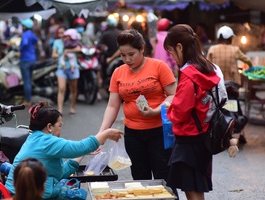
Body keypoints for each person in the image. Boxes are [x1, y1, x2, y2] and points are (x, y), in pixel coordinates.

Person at [98, 29, 177, 190]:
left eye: (131, 54)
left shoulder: (159, 67)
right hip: (133, 134)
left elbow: (173, 95)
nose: (127, 59)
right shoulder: (118, 73)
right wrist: (101, 133)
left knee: (164, 177)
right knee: (140, 180)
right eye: (122, 55)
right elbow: (113, 105)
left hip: (159, 131)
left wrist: (155, 111)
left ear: (142, 48)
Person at [5, 101, 123, 199]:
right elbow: (80, 147)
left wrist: (83, 153)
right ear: (49, 127)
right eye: (60, 125)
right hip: (26, 195)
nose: (61, 130)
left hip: (16, 192)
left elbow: (62, 172)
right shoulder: (48, 141)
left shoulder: (34, 138)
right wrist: (106, 134)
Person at [163, 24, 227, 200]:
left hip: (188, 139)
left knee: (191, 191)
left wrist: (170, 110)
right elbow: (223, 98)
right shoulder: (211, 68)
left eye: (171, 52)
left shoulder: (188, 75)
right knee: (197, 189)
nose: (173, 57)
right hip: (205, 136)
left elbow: (180, 112)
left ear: (180, 47)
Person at [206, 25, 252, 144]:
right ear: (230, 38)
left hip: (217, 84)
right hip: (233, 85)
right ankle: (241, 133)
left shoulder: (212, 49)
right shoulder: (235, 49)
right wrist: (251, 68)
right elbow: (247, 60)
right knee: (238, 103)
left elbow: (206, 65)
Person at [52, 26, 81, 114]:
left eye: (63, 33)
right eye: (59, 33)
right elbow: (53, 55)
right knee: (61, 88)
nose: (62, 35)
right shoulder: (57, 42)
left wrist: (68, 51)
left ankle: (73, 107)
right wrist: (61, 55)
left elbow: (79, 49)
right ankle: (60, 109)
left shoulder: (72, 41)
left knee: (73, 89)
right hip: (62, 68)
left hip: (73, 67)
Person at [19, 18, 38, 107]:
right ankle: (28, 98)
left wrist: (20, 49)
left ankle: (28, 100)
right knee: (29, 80)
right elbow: (36, 41)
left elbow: (25, 43)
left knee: (26, 81)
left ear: (25, 26)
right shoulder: (32, 34)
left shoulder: (25, 34)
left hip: (25, 59)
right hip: (32, 59)